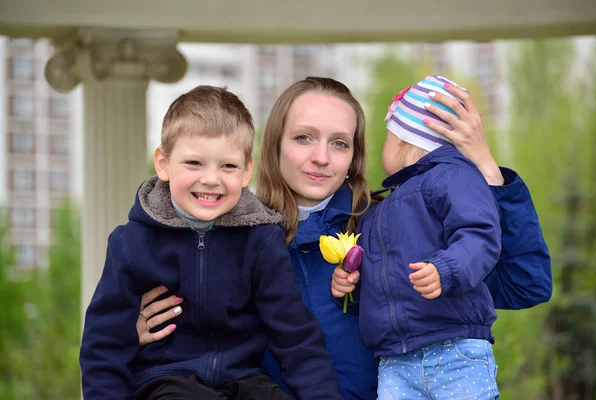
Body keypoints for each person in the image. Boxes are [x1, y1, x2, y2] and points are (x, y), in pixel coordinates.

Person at [135, 77, 552, 400]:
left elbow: (524, 283)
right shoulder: (227, 235)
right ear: (273, 145)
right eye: (303, 138)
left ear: (355, 156)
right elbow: (186, 361)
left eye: (339, 143)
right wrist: (130, 329)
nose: (321, 157)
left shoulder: (395, 228)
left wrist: (485, 169)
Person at [79, 85, 342, 400]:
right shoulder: (132, 243)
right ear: (163, 163)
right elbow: (104, 344)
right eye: (194, 163)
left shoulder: (260, 240)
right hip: (164, 380)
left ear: (246, 172)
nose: (211, 179)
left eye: (228, 166)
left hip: (243, 379)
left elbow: (295, 336)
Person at [332, 76, 505, 399]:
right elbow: (381, 281)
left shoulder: (452, 176)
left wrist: (446, 269)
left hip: (454, 348)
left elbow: (480, 234)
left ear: (403, 139)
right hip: (395, 360)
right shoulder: (377, 211)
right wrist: (349, 289)